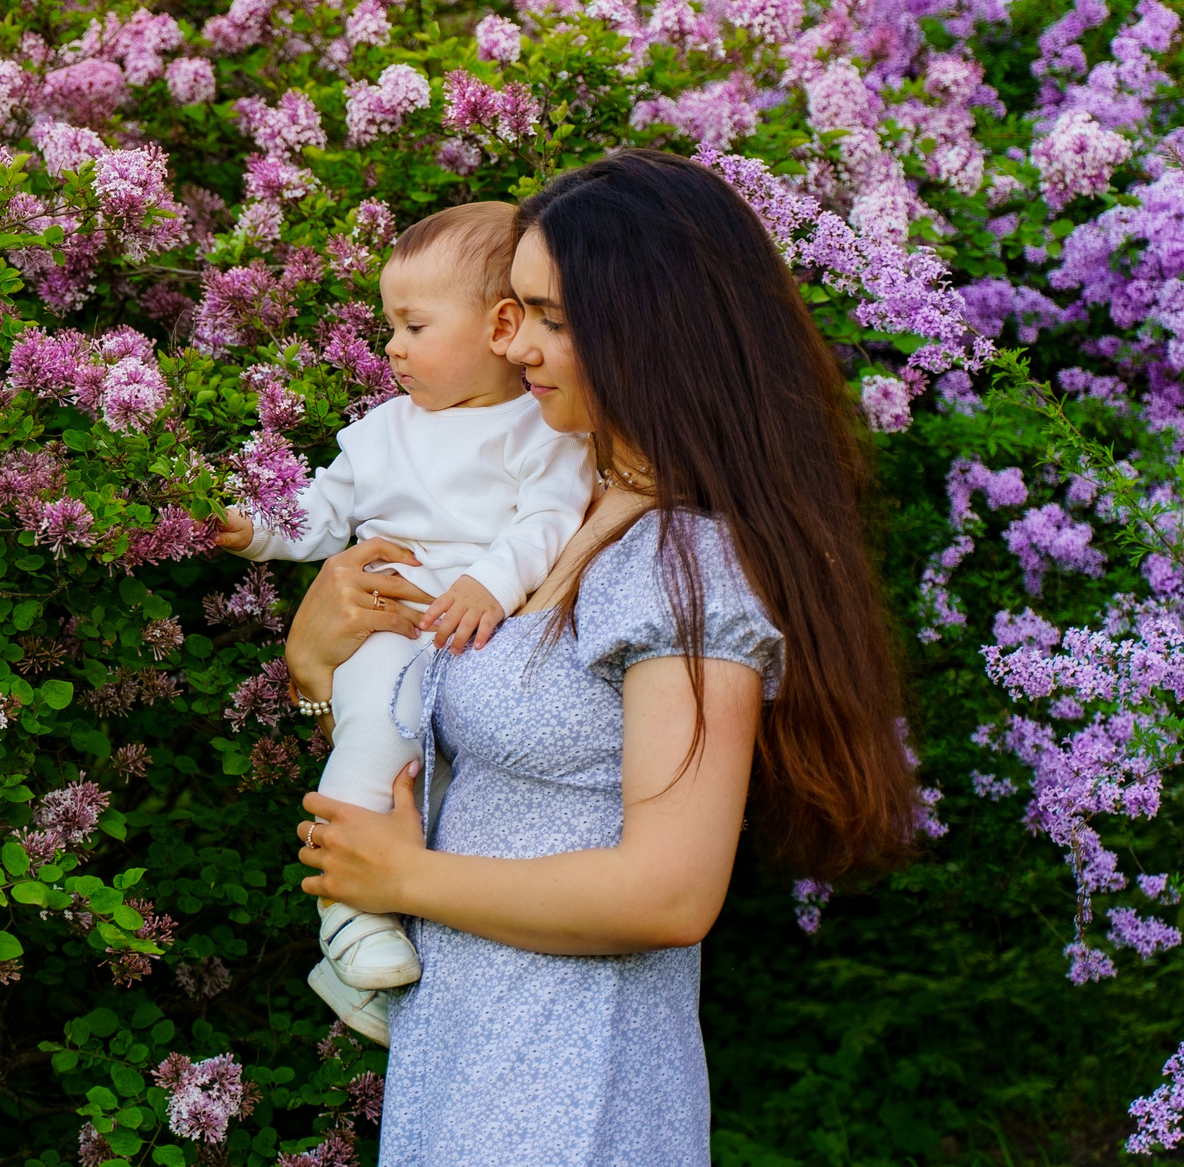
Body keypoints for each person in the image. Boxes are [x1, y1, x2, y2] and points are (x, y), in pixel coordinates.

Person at [283, 149, 915, 1165]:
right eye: (514, 310)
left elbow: (669, 892)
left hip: (571, 1082)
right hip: (470, 1056)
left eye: (551, 318)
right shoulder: (568, 511)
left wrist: (407, 878)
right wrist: (317, 668)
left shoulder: (687, 566)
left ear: (648, 332)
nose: (515, 343)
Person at [210, 202, 592, 1028]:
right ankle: (348, 910)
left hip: (479, 634)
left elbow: (548, 520)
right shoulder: (380, 431)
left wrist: (489, 582)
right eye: (391, 325)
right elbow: (317, 513)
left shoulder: (542, 429)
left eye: (414, 325)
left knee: (446, 800)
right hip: (390, 630)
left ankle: (363, 976)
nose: (392, 345)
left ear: (500, 326)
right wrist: (252, 526)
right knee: (382, 734)